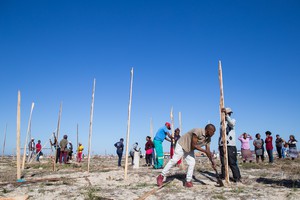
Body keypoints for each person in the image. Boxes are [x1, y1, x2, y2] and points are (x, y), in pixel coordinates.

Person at [218, 107, 241, 182]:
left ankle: (237, 177)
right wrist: (219, 144)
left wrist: (226, 115)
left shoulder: (232, 121)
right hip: (222, 145)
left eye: (227, 113)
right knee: (223, 163)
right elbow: (220, 135)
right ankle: (224, 176)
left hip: (230, 145)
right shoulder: (222, 123)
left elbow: (231, 124)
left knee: (232, 162)